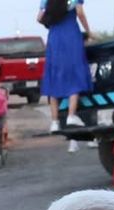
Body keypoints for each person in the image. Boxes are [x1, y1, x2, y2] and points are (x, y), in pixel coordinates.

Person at [38, 0, 93, 136]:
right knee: (74, 72)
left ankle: (54, 122)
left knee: (55, 74)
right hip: (71, 35)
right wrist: (88, 32)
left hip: (54, 37)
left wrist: (52, 22)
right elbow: (80, 13)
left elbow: (39, 18)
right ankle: (71, 115)